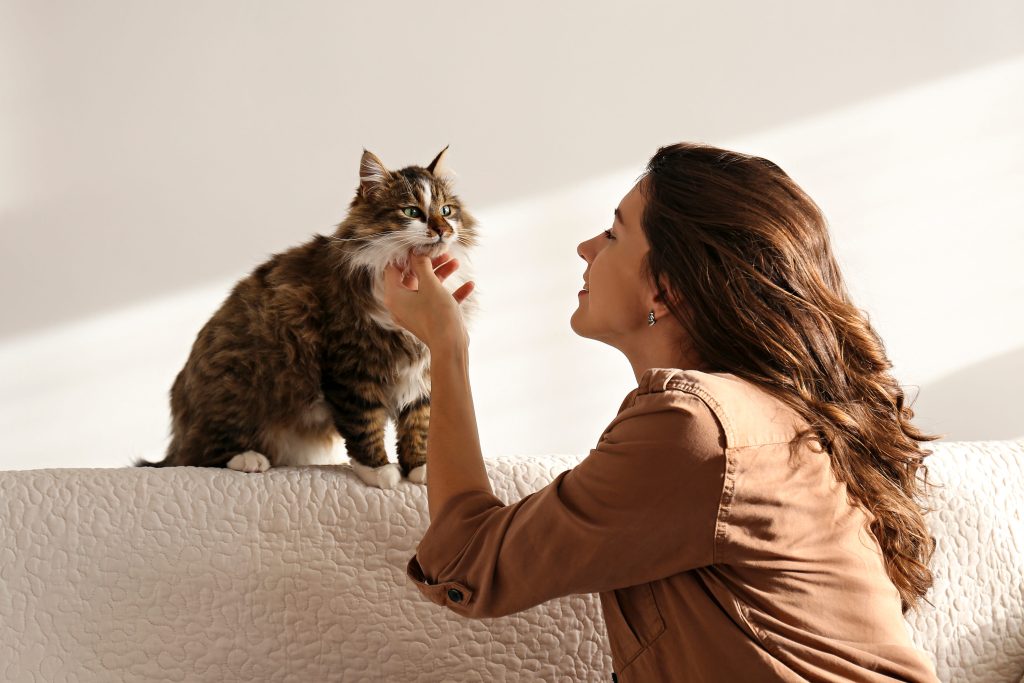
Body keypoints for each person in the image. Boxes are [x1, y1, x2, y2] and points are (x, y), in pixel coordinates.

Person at [380, 142, 941, 682]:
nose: (585, 248)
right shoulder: (758, 412)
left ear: (664, 291)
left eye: (613, 233)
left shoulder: (696, 427)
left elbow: (467, 560)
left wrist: (446, 348)